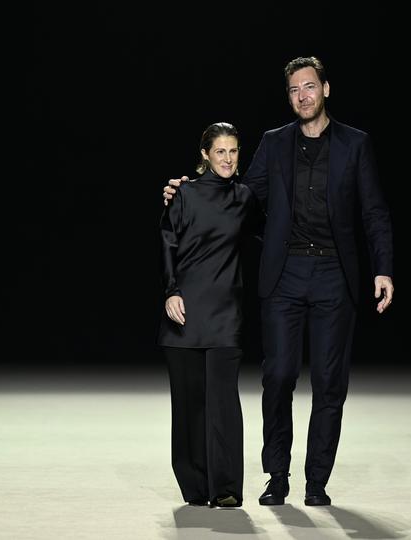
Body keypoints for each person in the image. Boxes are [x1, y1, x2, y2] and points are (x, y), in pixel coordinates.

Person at [163, 56, 394, 506]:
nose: (301, 96)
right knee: (280, 376)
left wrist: (383, 267)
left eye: (309, 87)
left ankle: (317, 482)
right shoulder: (274, 143)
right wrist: (190, 190)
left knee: (329, 381)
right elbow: (239, 201)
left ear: (326, 89)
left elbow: (374, 211)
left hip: (334, 274)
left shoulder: (355, 144)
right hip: (284, 274)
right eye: (293, 90)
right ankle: (278, 475)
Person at [158, 122, 256, 508]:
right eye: (220, 152)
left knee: (224, 403)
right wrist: (171, 291)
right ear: (205, 155)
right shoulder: (184, 194)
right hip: (183, 309)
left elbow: (269, 230)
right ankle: (196, 487)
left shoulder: (245, 198)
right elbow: (167, 242)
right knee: (188, 404)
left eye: (233, 151)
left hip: (226, 312)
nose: (228, 159)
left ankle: (227, 487)